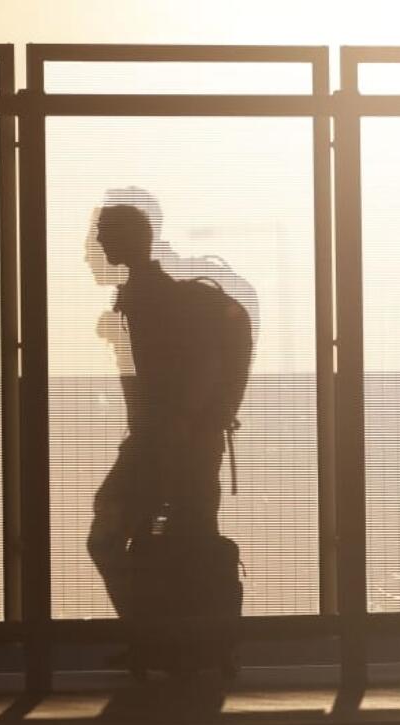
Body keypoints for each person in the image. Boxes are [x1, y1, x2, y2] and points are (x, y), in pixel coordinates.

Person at [85, 200, 234, 621]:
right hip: (173, 440)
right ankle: (166, 636)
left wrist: (175, 429)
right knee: (178, 539)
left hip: (164, 441)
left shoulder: (150, 299)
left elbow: (188, 371)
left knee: (112, 532)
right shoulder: (139, 296)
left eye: (104, 232)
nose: (97, 241)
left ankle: (150, 631)